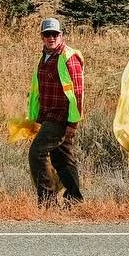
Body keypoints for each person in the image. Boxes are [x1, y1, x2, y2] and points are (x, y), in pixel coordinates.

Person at [27, 17, 85, 206]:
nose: (51, 38)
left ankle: (47, 202)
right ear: (42, 37)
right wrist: (35, 117)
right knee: (62, 158)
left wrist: (73, 123)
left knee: (37, 153)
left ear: (61, 35)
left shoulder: (68, 57)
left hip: (61, 116)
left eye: (55, 34)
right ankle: (75, 200)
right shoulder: (45, 56)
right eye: (47, 34)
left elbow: (78, 92)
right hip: (48, 114)